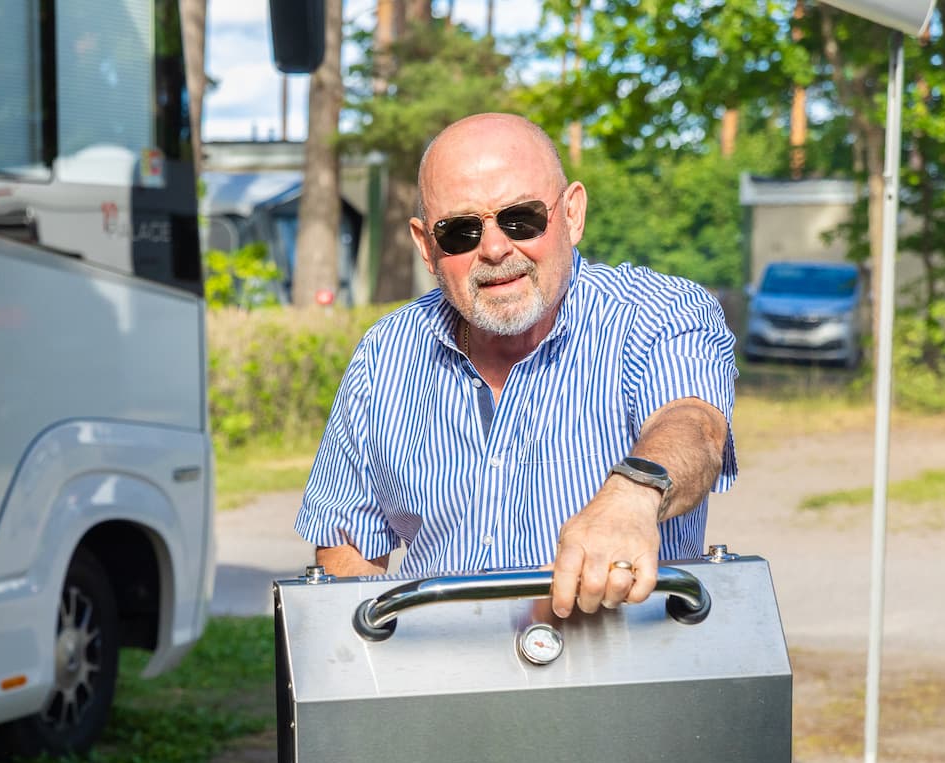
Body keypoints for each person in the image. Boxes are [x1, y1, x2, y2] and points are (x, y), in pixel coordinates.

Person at [295, 112, 736, 618]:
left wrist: (634, 494)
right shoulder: (385, 355)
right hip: (444, 681)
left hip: (627, 676)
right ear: (426, 246)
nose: (496, 248)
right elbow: (345, 546)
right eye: (460, 231)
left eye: (521, 218)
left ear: (572, 213)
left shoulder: (659, 314)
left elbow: (694, 429)